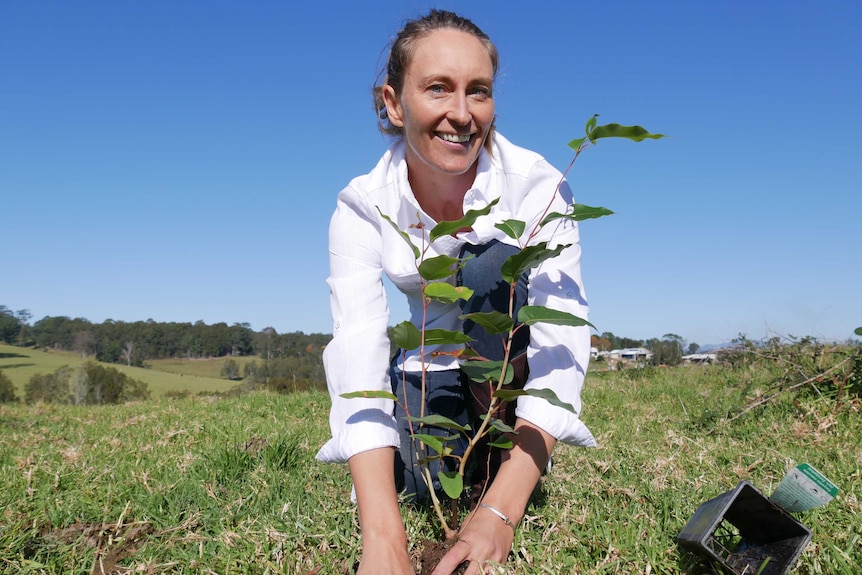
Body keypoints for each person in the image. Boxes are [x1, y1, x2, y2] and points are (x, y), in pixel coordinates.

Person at [316, 9, 596, 575]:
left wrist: (501, 510)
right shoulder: (362, 204)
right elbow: (358, 348)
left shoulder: (537, 187)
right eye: (438, 88)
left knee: (493, 264)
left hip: (504, 372)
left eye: (480, 92)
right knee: (422, 485)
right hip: (432, 364)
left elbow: (561, 338)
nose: (462, 115)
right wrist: (384, 541)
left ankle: (506, 462)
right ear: (394, 103)